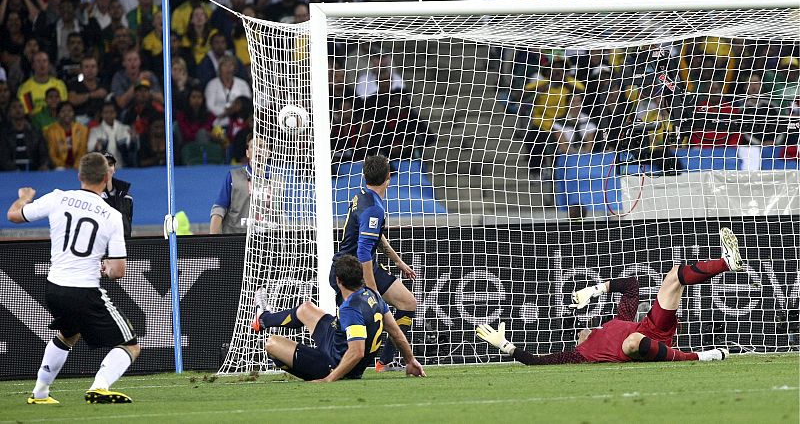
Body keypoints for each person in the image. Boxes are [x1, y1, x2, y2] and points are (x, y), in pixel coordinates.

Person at [477, 227, 744, 365]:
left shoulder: (616, 320)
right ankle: (700, 356)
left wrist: (593, 290)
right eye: (577, 332)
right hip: (640, 344)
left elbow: (631, 285)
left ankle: (726, 262)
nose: (581, 330)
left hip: (653, 327)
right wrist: (505, 345)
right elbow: (537, 361)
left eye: (580, 328)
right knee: (631, 342)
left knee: (673, 276)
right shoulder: (580, 354)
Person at [6, 152, 139, 404]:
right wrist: (106, 268)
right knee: (131, 344)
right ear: (106, 177)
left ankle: (40, 392)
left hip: (54, 287)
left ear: (79, 176)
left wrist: (23, 198)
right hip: (84, 289)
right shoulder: (112, 216)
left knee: (69, 334)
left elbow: (14, 215)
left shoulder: (58, 198)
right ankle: (99, 386)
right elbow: (118, 271)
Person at [251, 254, 426, 382]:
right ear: (361, 278)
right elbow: (396, 332)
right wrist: (410, 360)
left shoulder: (350, 309)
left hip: (336, 364)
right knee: (306, 309)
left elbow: (357, 352)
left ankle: (313, 371)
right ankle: (264, 318)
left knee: (272, 344)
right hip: (335, 340)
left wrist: (330, 378)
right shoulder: (373, 295)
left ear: (338, 281)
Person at [331, 155, 418, 372]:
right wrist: (372, 291)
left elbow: (374, 237)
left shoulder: (363, 197)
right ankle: (335, 361)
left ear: (364, 176)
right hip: (349, 270)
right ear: (389, 177)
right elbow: (362, 251)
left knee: (408, 303)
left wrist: (397, 261)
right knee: (358, 321)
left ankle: (386, 362)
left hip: (365, 265)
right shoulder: (374, 208)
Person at [209, 133, 264, 234]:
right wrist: (213, 241)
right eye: (253, 146)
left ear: (268, 152)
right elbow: (219, 209)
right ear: (247, 153)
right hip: (237, 238)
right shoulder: (233, 176)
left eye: (261, 146)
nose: (258, 150)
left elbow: (281, 214)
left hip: (268, 241)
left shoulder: (277, 179)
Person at [101, 152, 134, 238]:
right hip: (102, 246)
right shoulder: (94, 196)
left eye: (110, 165)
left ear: (114, 169)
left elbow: (128, 222)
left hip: (124, 245)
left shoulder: (127, 197)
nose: (107, 168)